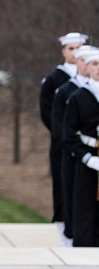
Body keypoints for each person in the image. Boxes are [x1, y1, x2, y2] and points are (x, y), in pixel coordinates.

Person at [41, 33, 87, 241]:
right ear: (63, 51)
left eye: (79, 48)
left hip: (87, 147)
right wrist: (67, 138)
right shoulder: (54, 80)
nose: (75, 52)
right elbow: (49, 114)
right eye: (71, 48)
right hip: (62, 145)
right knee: (64, 187)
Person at [53, 45, 97, 247]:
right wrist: (87, 158)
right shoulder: (77, 97)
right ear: (87, 67)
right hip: (87, 158)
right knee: (84, 206)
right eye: (95, 64)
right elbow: (67, 133)